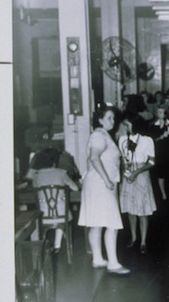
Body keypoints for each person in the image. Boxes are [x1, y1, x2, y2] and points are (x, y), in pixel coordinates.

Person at [78, 105, 130, 275]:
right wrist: (107, 180)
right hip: (101, 183)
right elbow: (93, 157)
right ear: (99, 120)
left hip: (96, 183)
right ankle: (113, 263)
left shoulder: (102, 135)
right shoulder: (99, 135)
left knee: (97, 222)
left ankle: (98, 259)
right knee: (112, 223)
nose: (112, 121)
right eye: (109, 118)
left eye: (113, 118)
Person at [28, 147, 79, 253]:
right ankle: (57, 245)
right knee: (62, 210)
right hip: (61, 216)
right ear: (55, 161)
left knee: (34, 220)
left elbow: (35, 189)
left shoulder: (36, 176)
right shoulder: (61, 173)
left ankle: (38, 248)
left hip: (42, 216)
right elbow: (76, 188)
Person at [118, 112, 156, 254]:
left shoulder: (147, 140)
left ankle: (143, 241)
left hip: (141, 175)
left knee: (142, 211)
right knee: (130, 210)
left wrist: (137, 172)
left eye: (128, 124)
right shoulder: (122, 139)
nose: (125, 127)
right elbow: (123, 159)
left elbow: (152, 161)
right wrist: (126, 171)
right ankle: (134, 237)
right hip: (128, 176)